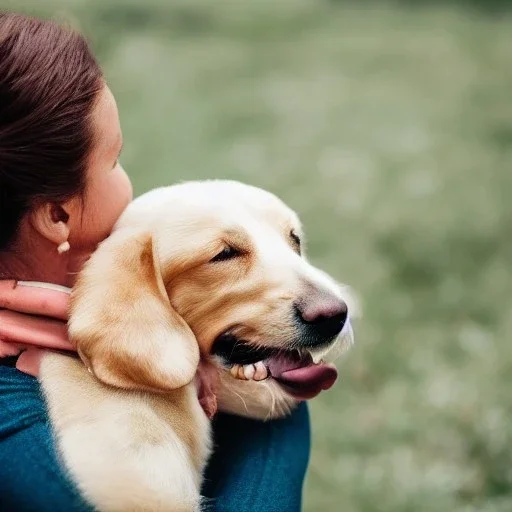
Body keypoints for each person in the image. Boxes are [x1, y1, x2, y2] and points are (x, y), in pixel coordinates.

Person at [0, 13, 310, 512]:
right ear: (57, 215)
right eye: (115, 158)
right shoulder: (24, 431)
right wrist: (279, 402)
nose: (130, 180)